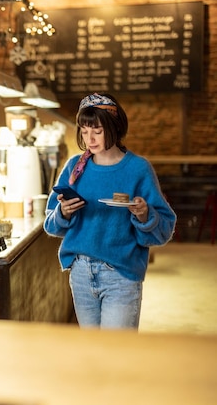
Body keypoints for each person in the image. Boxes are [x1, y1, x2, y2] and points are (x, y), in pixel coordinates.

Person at [43, 92, 176, 330]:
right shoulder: (75, 167)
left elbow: (164, 230)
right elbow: (50, 224)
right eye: (84, 131)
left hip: (121, 275)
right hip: (81, 273)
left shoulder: (138, 169)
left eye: (97, 131)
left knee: (117, 356)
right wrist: (63, 213)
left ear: (114, 127)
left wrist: (144, 215)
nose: (90, 139)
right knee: (94, 354)